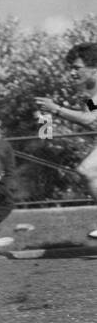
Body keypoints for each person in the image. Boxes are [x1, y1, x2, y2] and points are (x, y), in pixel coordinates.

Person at [35, 42, 97, 239]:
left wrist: (57, 110)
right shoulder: (91, 95)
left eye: (77, 68)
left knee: (87, 170)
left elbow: (90, 119)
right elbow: (91, 120)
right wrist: (55, 115)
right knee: (87, 171)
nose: (72, 73)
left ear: (94, 69)